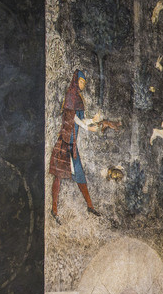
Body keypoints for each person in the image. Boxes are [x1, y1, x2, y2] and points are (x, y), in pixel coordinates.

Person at [48, 70, 118, 217]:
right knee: (59, 176)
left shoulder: (78, 98)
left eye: (84, 83)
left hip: (72, 145)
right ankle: (54, 209)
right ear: (75, 80)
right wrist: (87, 127)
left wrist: (92, 120)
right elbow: (73, 118)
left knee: (79, 174)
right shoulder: (70, 96)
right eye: (81, 81)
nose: (82, 85)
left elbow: (82, 119)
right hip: (65, 142)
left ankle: (90, 206)